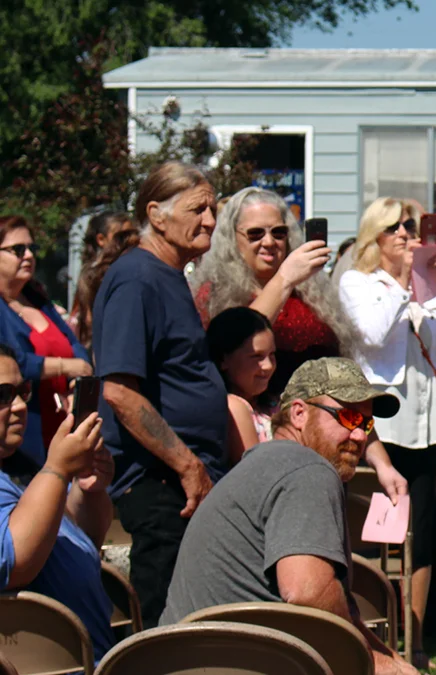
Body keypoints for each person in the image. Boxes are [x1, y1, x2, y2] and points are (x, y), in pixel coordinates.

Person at [159, 358, 417, 675]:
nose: (361, 436)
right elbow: (307, 591)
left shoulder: (262, 464)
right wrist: (373, 663)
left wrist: (388, 658)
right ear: (298, 413)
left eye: (366, 424)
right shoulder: (308, 469)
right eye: (349, 417)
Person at [338, 196, 436, 668]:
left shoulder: (425, 284)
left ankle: (415, 640)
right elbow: (374, 335)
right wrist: (403, 281)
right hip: (383, 421)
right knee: (382, 531)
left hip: (424, 420)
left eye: (411, 227)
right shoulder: (358, 282)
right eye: (395, 228)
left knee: (421, 531)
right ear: (374, 237)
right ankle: (377, 637)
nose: (405, 234)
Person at [91, 161, 229, 627]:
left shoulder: (169, 276)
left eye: (213, 208)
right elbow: (120, 393)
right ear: (157, 214)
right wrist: (188, 466)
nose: (210, 219)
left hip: (180, 480)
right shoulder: (137, 278)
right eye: (198, 209)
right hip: (160, 482)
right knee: (166, 622)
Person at [0, 343, 113, 662]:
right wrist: (58, 469)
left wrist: (88, 490)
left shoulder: (16, 481)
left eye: (23, 390)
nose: (21, 406)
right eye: (3, 396)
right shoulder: (43, 475)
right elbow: (13, 563)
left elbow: (81, 540)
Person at [191, 187, 353, 397]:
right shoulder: (213, 294)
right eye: (255, 233)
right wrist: (284, 279)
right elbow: (237, 345)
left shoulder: (310, 291)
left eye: (278, 233)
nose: (269, 242)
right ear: (232, 238)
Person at [0, 216, 92, 480]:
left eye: (32, 248)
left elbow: (73, 343)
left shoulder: (38, 299)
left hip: (62, 423)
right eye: (18, 250)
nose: (28, 255)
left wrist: (78, 381)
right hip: (25, 438)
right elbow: (14, 362)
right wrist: (65, 366)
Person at [207, 307, 277, 462]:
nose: (268, 366)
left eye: (272, 355)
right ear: (224, 359)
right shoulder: (233, 407)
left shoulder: (270, 404)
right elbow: (256, 470)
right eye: (256, 356)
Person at [71, 211, 135, 343]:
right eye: (122, 236)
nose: (130, 241)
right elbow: (89, 320)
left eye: (133, 234)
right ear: (101, 239)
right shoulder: (93, 275)